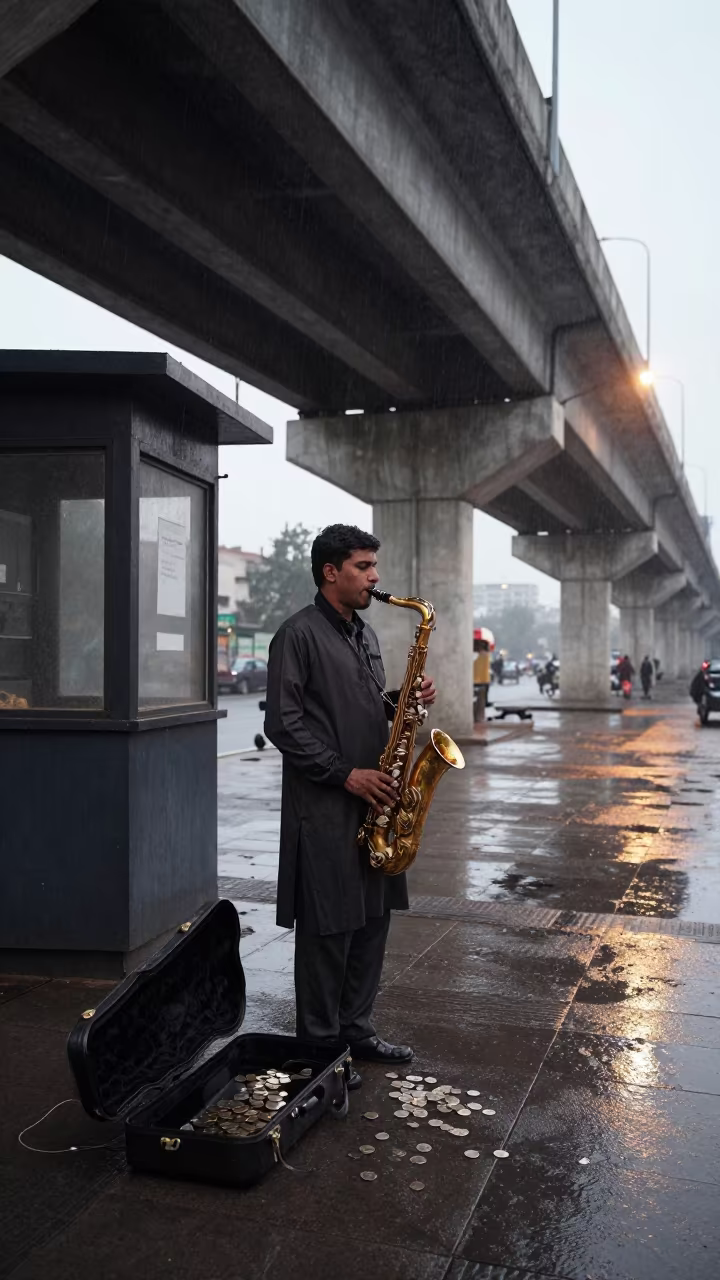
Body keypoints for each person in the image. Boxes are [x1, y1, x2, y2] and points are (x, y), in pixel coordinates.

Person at [264, 524, 437, 1077]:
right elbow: (284, 725)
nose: (375, 578)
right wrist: (346, 775)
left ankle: (356, 1032)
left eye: (373, 567)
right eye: (363, 567)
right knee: (328, 932)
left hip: (377, 801)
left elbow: (357, 705)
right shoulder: (296, 635)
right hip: (327, 805)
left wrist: (402, 702)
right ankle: (318, 1051)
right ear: (330, 571)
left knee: (370, 921)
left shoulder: (364, 635)